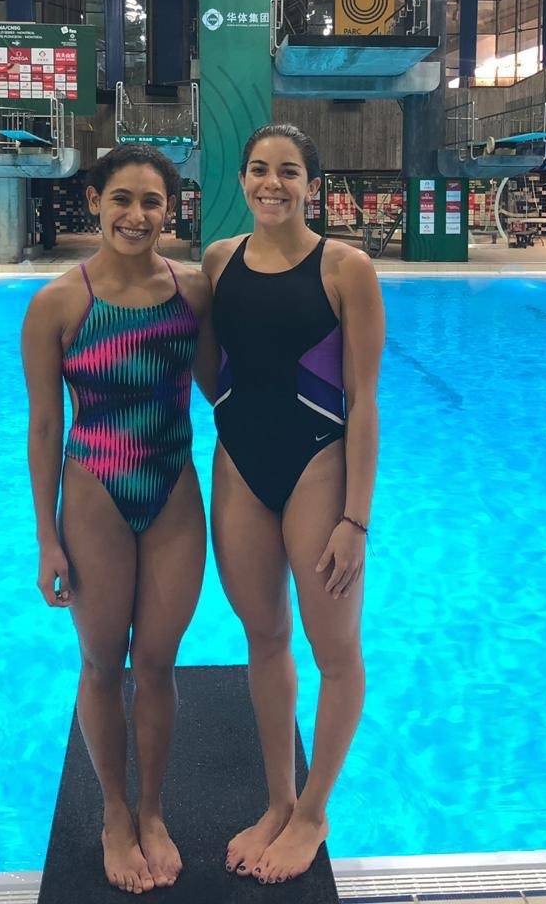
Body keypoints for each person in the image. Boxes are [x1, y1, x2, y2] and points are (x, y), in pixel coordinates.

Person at [21, 144, 215, 894]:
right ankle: (113, 811)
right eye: (123, 199)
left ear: (172, 210)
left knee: (158, 664)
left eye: (153, 202)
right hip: (94, 494)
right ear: (95, 202)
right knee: (103, 663)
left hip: (173, 494)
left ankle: (153, 810)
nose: (137, 215)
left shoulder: (193, 293)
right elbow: (45, 427)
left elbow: (226, 386)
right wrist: (47, 537)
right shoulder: (57, 304)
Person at [203, 123, 385, 885]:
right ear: (242, 179)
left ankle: (313, 812)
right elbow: (211, 370)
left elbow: (364, 400)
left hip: (317, 466)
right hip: (239, 463)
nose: (270, 183)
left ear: (312, 183)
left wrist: (356, 519)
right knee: (265, 637)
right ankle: (279, 800)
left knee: (334, 651)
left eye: (287, 171)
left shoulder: (346, 268)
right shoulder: (218, 260)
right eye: (258, 169)